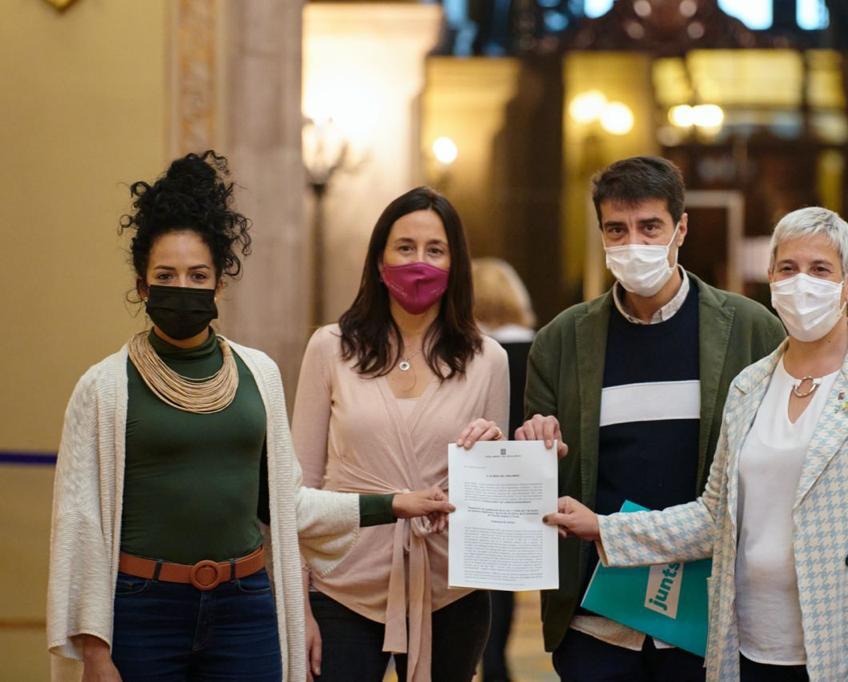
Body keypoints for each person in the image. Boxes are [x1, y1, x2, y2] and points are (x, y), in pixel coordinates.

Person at [45, 152, 452, 682]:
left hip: (244, 610)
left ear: (219, 283)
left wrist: (393, 504)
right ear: (142, 285)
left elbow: (285, 504)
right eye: (165, 275)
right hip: (142, 611)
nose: (183, 287)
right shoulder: (103, 388)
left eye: (198, 274)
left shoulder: (257, 374)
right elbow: (79, 525)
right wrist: (96, 653)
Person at [545, 207, 848, 681]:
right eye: (788, 268)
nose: (801, 283)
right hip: (749, 647)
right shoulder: (750, 385)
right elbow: (713, 516)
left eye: (820, 269)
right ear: (770, 279)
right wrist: (604, 528)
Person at [517, 156, 785, 681]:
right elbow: (543, 488)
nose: (633, 243)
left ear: (680, 228)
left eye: (649, 227)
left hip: (707, 620)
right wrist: (532, 448)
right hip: (596, 625)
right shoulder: (561, 342)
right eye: (617, 229)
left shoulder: (752, 331)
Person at [292, 187, 510, 682]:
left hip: (451, 589)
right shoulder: (329, 348)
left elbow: (493, 494)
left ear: (456, 264)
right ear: (378, 259)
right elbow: (297, 487)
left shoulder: (488, 359)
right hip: (342, 584)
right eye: (405, 247)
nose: (420, 262)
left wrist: (503, 453)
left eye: (436, 250)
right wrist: (297, 606)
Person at [472, 257, 538, 682]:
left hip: (480, 475)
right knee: (508, 580)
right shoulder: (540, 349)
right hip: (529, 475)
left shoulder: (474, 356)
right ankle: (499, 661)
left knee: (481, 578)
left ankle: (487, 658)